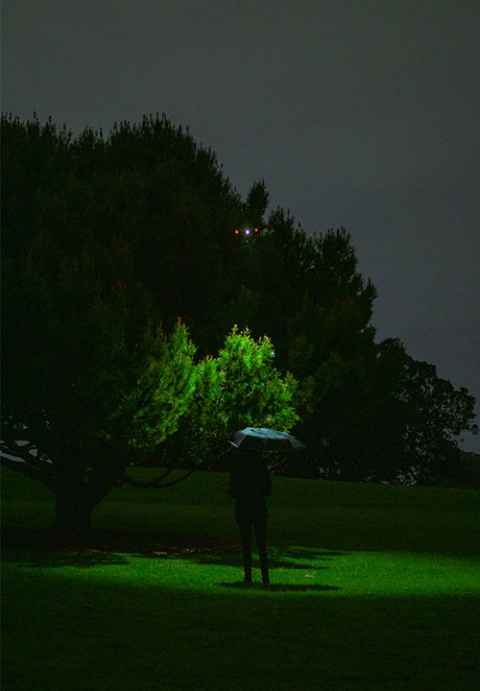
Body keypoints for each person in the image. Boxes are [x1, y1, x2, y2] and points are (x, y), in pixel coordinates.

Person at [228, 443, 271, 587]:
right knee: (262, 543)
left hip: (243, 507)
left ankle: (248, 576)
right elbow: (268, 490)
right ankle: (265, 578)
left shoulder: (238, 468)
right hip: (258, 506)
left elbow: (233, 491)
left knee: (245, 543)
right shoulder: (262, 466)